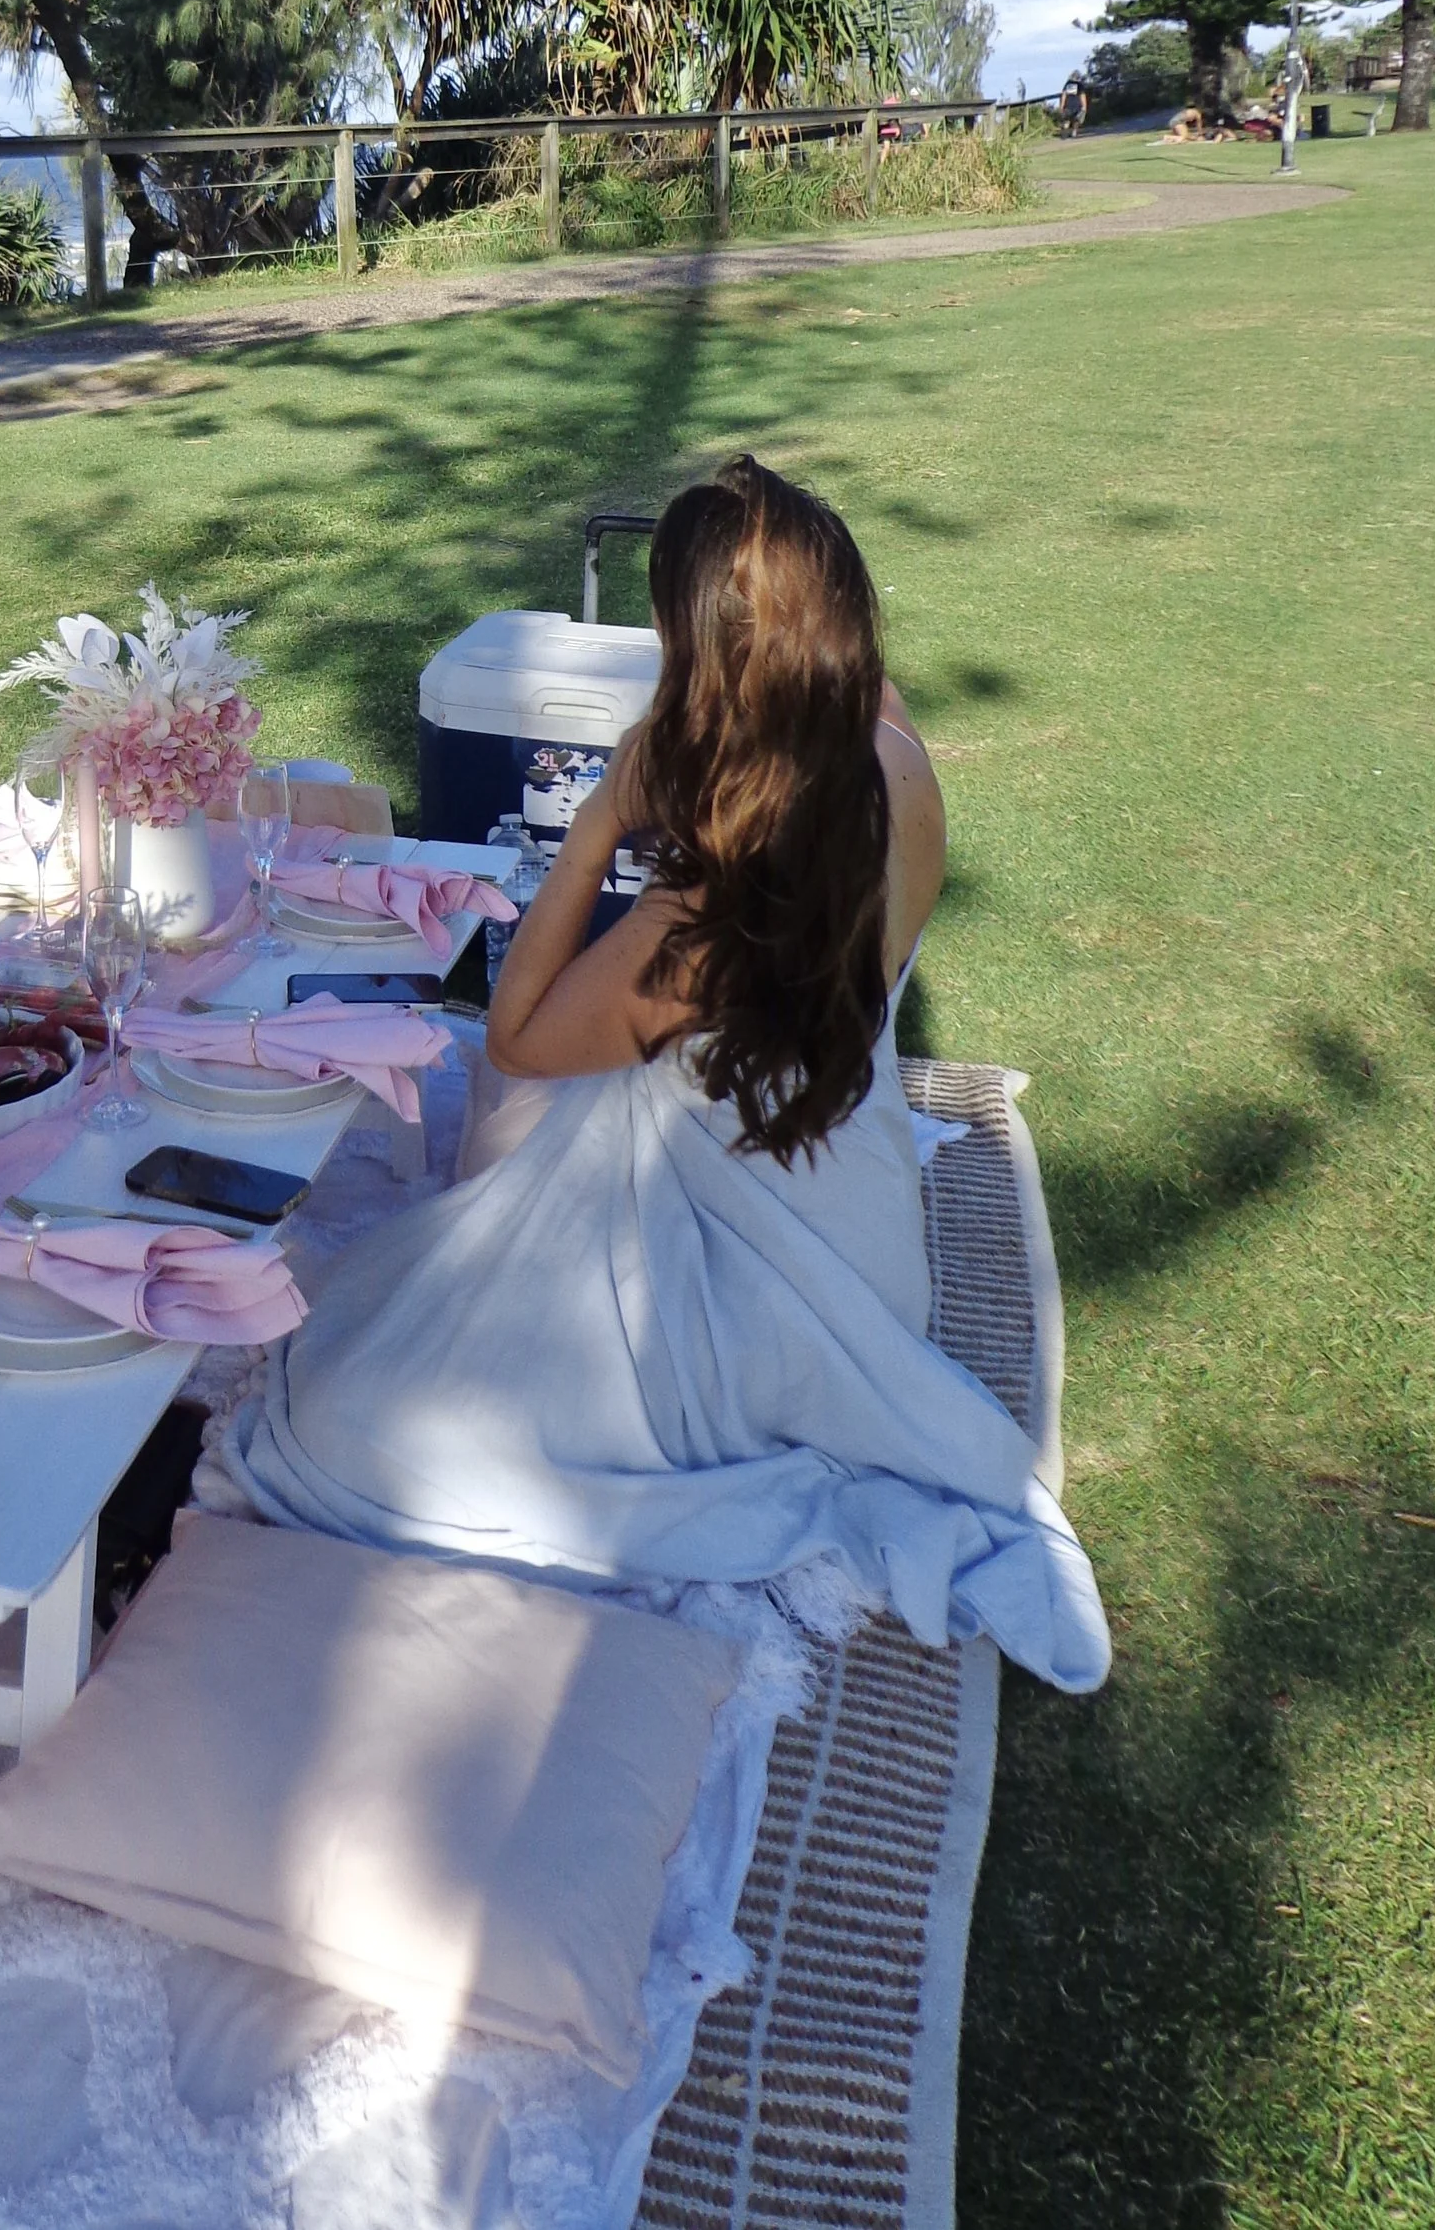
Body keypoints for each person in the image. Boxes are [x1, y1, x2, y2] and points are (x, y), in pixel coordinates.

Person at [208, 456, 1110, 1692]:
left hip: (744, 1285)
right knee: (499, 1152)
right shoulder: (894, 762)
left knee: (349, 1412)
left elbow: (519, 1026)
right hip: (854, 1218)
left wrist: (607, 814)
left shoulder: (719, 913)